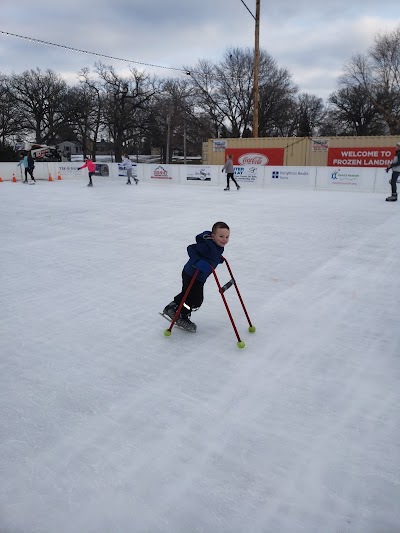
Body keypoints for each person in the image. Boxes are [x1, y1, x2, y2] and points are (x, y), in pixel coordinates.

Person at [162, 221, 230, 332]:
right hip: (191, 273)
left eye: (227, 236)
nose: (224, 239)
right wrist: (197, 261)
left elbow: (212, 255)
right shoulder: (206, 246)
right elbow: (191, 249)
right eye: (221, 236)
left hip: (200, 277)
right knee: (194, 299)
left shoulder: (217, 246)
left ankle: (172, 307)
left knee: (190, 296)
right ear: (213, 236)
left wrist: (218, 258)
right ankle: (182, 315)